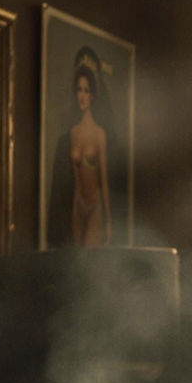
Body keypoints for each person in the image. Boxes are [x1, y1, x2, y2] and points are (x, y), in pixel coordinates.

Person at [67, 59, 111, 247]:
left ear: (92, 96)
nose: (82, 96)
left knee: (87, 262)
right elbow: (76, 181)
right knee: (76, 263)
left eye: (86, 91)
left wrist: (108, 222)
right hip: (78, 206)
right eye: (79, 90)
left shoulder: (99, 134)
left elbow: (104, 181)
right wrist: (73, 211)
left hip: (95, 207)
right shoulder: (73, 133)